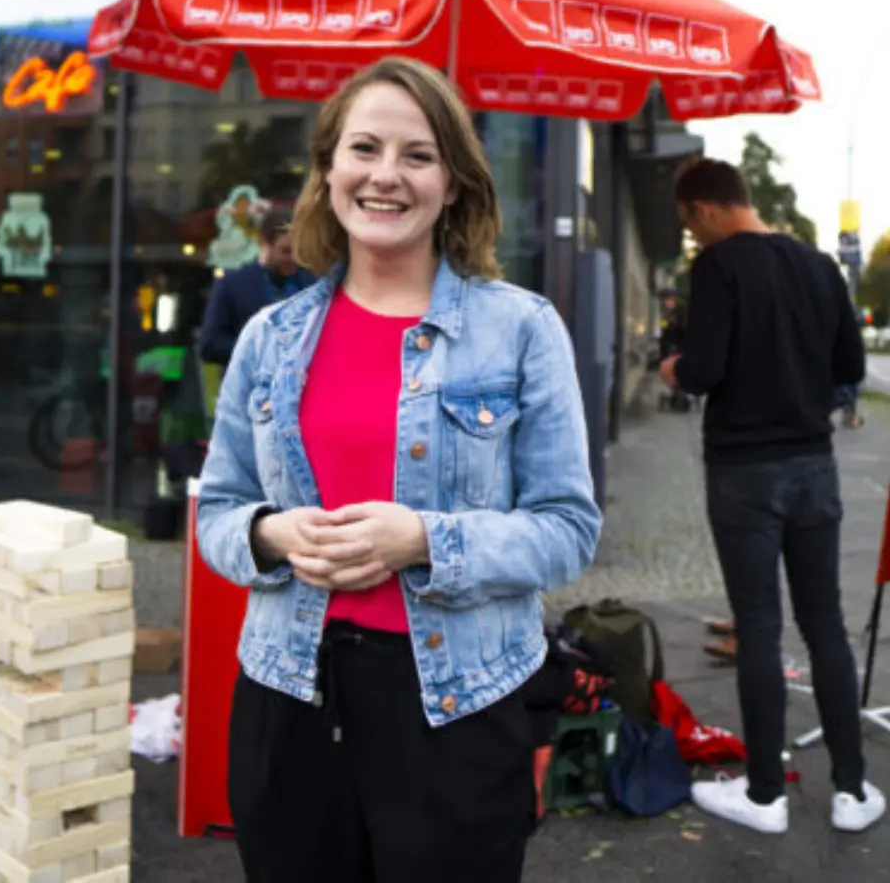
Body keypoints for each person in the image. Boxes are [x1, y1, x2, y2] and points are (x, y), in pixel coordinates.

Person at [197, 56, 601, 882]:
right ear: (329, 170)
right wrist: (269, 534)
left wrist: (425, 539)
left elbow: (567, 530)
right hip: (287, 693)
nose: (386, 176)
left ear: (453, 184)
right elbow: (218, 513)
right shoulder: (268, 338)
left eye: (417, 155)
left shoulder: (522, 330)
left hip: (458, 703)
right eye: (365, 148)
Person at [660, 157, 885, 835]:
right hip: (815, 467)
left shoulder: (719, 268)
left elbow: (702, 371)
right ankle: (853, 789)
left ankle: (764, 796)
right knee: (826, 627)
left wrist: (674, 365)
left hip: (743, 474)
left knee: (757, 625)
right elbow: (850, 368)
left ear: (703, 210)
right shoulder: (820, 266)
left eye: (690, 228)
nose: (694, 240)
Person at [198, 205, 315, 368]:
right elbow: (210, 345)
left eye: (299, 250)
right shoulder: (232, 284)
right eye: (286, 251)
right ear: (265, 244)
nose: (294, 258)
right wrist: (261, 353)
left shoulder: (313, 283)